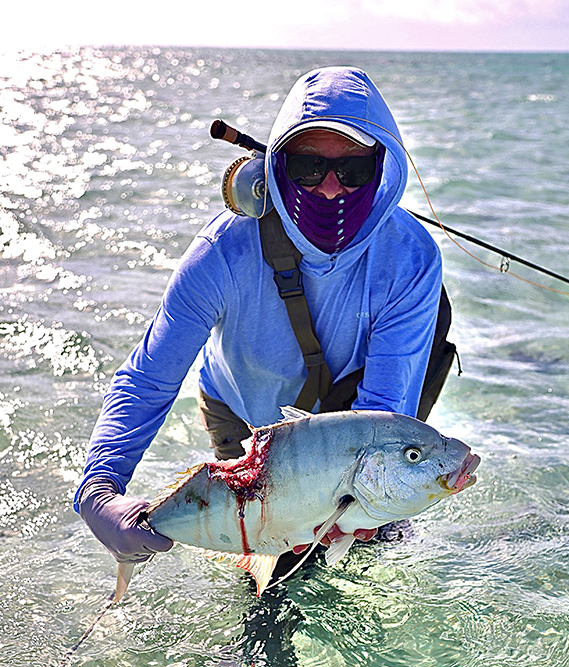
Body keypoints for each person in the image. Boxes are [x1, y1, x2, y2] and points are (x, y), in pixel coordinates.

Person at [76, 66, 453, 566]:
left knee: (367, 550)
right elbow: (149, 378)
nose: (331, 190)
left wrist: (353, 507)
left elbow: (383, 406)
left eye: (355, 171)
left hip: (353, 412)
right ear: (275, 169)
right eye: (308, 169)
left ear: (381, 170)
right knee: (266, 580)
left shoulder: (412, 256)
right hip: (241, 410)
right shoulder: (221, 252)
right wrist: (99, 490)